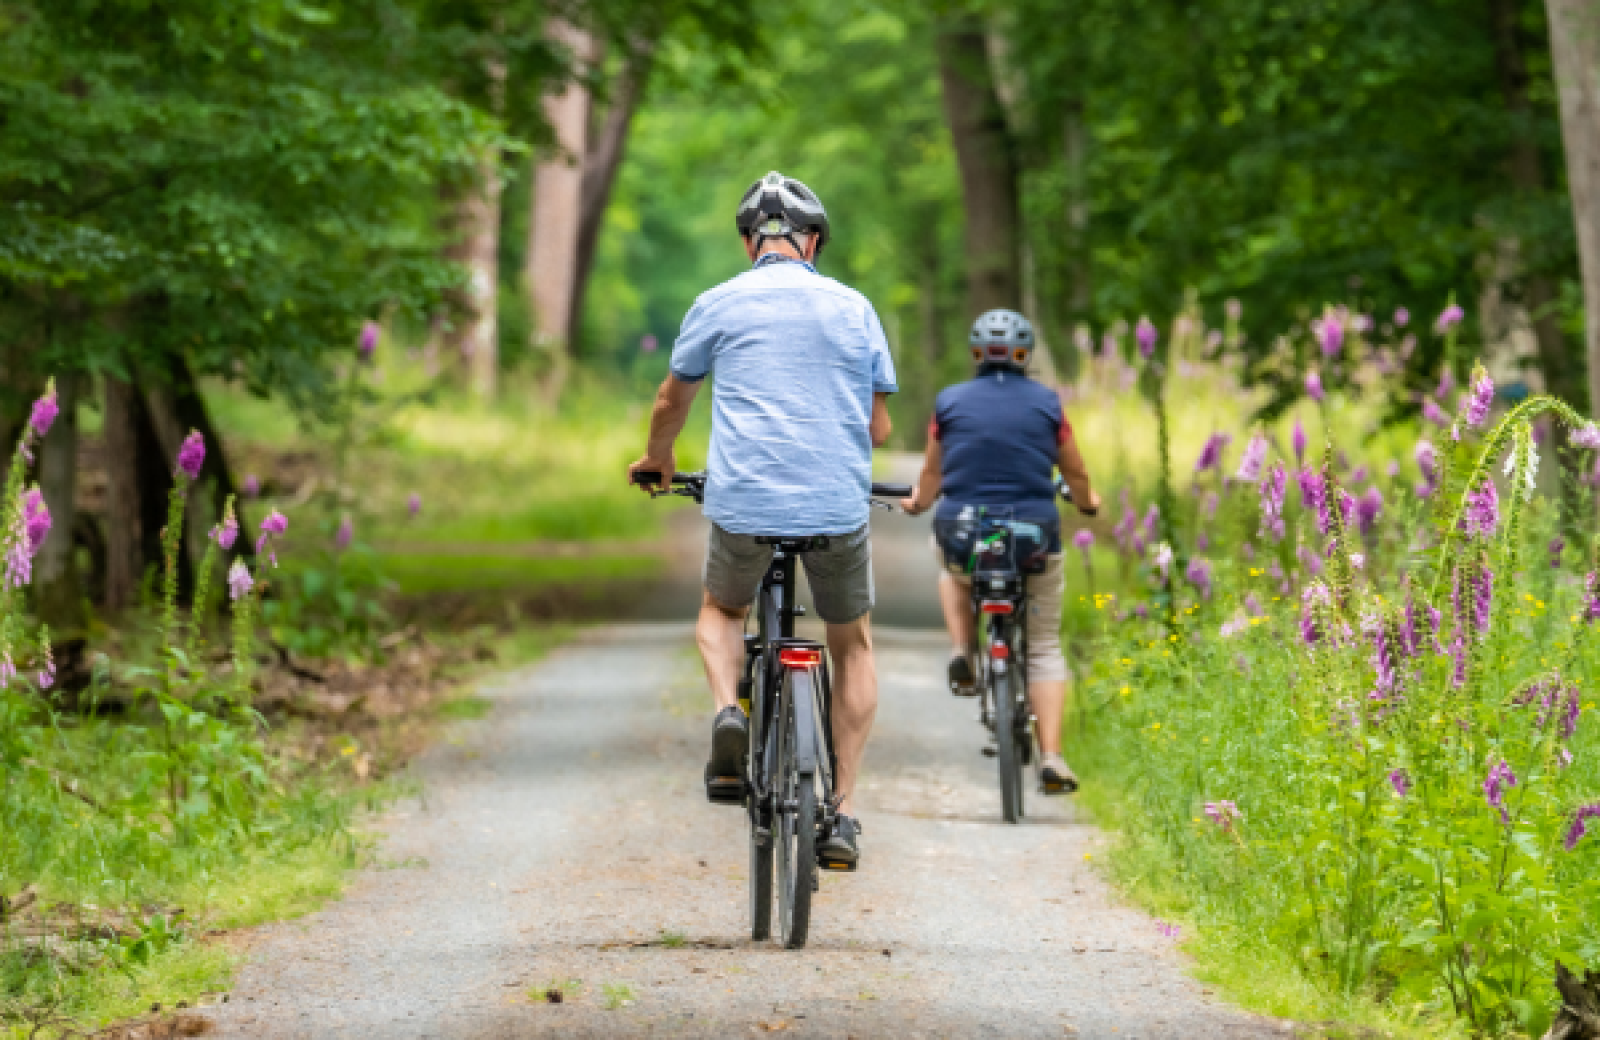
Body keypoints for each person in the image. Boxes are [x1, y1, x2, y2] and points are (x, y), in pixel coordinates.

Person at [627, 171, 896, 869]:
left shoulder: (717, 302)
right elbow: (879, 424)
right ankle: (842, 812)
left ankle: (728, 711)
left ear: (751, 243)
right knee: (854, 644)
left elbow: (669, 401)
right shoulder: (854, 307)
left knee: (722, 609)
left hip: (744, 501)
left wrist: (659, 460)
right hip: (836, 505)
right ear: (813, 242)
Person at [900, 309, 1099, 794]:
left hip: (965, 534)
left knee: (950, 569)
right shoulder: (1049, 404)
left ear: (975, 354)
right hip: (1033, 536)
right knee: (1046, 645)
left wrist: (919, 503)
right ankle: (1052, 756)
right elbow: (1074, 472)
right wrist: (1089, 503)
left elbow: (932, 474)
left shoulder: (949, 403)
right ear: (1024, 354)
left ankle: (962, 649)